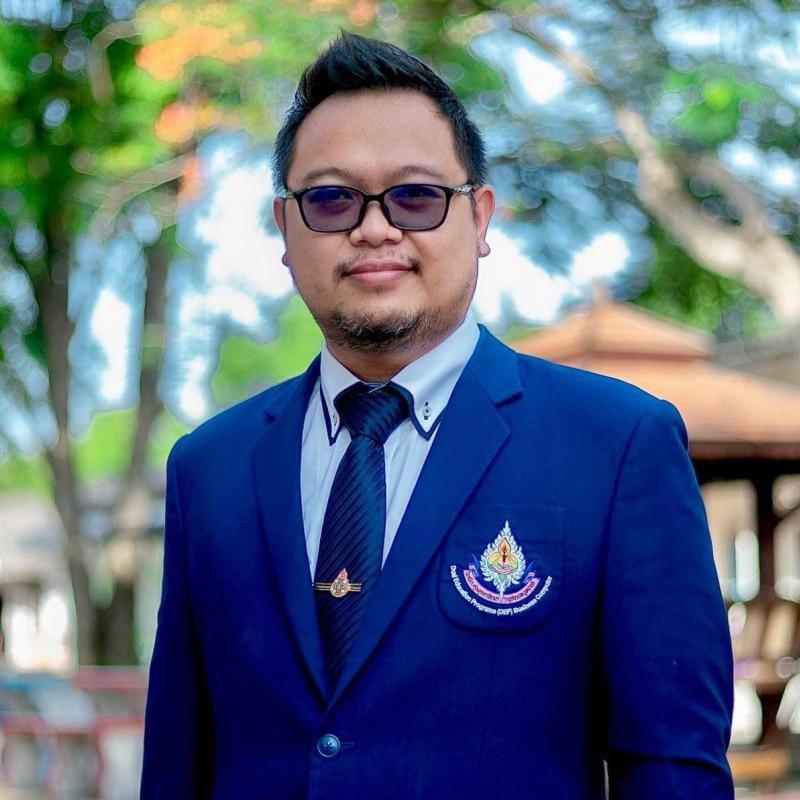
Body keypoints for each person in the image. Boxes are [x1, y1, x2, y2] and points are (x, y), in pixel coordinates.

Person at [141, 31, 734, 799]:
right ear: (285, 228)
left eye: (416, 196)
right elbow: (178, 768)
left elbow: (673, 769)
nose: (374, 228)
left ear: (481, 218)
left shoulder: (616, 445)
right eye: (331, 199)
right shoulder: (208, 469)